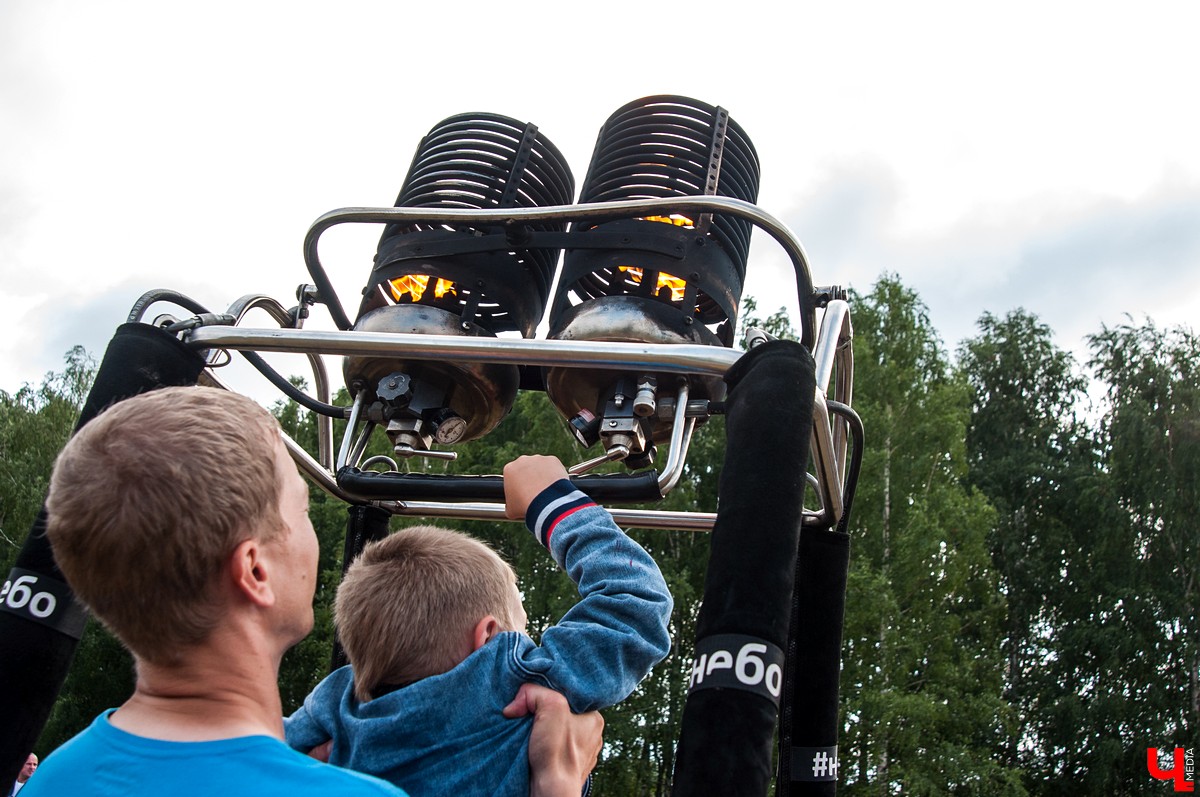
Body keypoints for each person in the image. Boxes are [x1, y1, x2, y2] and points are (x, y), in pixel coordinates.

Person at [26, 386, 601, 797]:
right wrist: (559, 784)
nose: (314, 537)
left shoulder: (54, 778)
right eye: (301, 511)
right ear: (255, 571)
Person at [284, 454, 673, 796]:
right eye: (520, 630)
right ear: (487, 638)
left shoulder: (335, 704)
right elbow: (636, 599)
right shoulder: (513, 692)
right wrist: (553, 501)